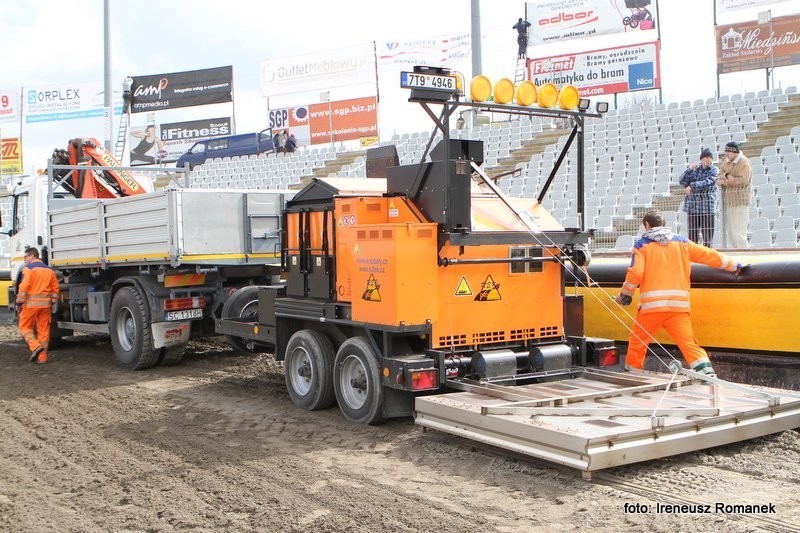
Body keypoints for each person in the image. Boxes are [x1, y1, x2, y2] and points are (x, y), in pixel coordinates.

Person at [614, 210, 745, 377]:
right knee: (689, 344)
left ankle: (632, 373)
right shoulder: (682, 243)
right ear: (663, 223)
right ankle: (708, 374)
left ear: (647, 225)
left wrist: (625, 294)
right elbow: (710, 256)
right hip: (678, 308)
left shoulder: (642, 245)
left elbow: (635, 273)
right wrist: (736, 265)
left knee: (638, 342)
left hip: (651, 310)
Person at [16, 247, 60, 364]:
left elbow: (24, 286)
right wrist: (52, 302)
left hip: (30, 305)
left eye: (26, 257)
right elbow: (56, 289)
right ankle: (42, 358)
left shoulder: (28, 269)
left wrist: (19, 301)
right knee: (43, 330)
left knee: (24, 327)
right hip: (45, 306)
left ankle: (35, 347)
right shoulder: (50, 271)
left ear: (32, 256)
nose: (25, 260)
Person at [679, 147, 718, 247]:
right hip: (693, 207)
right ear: (701, 159)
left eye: (710, 157)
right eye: (706, 157)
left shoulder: (714, 170)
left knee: (707, 236)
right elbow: (682, 181)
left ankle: (707, 256)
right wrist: (689, 170)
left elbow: (709, 182)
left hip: (707, 207)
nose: (708, 159)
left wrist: (692, 186)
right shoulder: (695, 169)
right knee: (692, 236)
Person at [717, 141, 753, 248]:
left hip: (741, 200)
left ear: (734, 152)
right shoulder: (726, 162)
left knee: (739, 234)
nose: (726, 154)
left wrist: (726, 181)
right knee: (732, 235)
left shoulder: (744, 162)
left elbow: (743, 180)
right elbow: (719, 177)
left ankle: (746, 256)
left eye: (728, 152)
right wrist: (728, 176)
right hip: (730, 201)